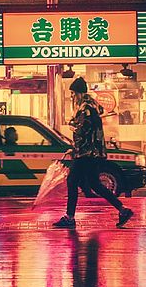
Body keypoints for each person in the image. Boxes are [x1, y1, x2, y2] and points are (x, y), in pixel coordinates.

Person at [53, 77, 134, 229]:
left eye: (72, 93)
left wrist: (74, 133)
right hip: (91, 152)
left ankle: (70, 217)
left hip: (86, 153)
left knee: (72, 181)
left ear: (78, 93)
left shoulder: (85, 108)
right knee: (95, 184)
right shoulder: (91, 106)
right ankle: (123, 210)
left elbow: (83, 130)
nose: (71, 96)